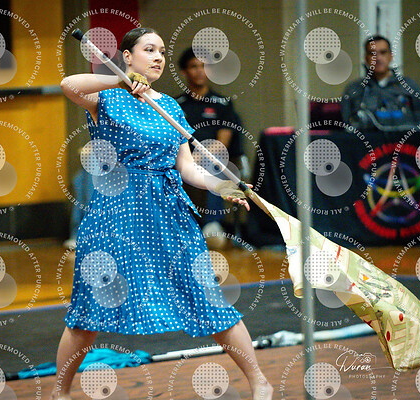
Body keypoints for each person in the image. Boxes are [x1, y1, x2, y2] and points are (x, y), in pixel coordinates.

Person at [51, 27, 273, 400]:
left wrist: (223, 186)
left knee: (208, 299)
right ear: (127, 56)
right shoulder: (107, 97)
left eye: (162, 52)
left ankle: (260, 381)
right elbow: (69, 85)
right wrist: (120, 80)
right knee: (88, 311)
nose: (158, 57)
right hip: (116, 214)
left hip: (168, 213)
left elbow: (187, 168)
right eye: (149, 50)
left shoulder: (169, 107)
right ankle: (60, 392)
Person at [175, 47, 247, 242]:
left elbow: (222, 143)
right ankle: (179, 227)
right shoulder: (176, 104)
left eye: (204, 66)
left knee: (211, 163)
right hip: (182, 160)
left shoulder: (222, 104)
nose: (200, 71)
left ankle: (212, 225)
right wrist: (186, 160)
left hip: (213, 159)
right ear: (184, 71)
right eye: (194, 66)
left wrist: (197, 157)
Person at [341, 35, 420, 130]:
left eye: (383, 52)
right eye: (372, 53)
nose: (378, 58)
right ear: (366, 58)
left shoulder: (409, 86)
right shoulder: (354, 89)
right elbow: (347, 126)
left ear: (390, 56)